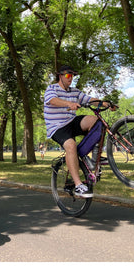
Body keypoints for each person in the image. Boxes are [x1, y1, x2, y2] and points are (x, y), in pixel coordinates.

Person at [43, 65, 115, 198]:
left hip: (71, 122)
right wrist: (68, 104)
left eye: (73, 76)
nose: (71, 79)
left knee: (96, 121)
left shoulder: (74, 91)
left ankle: (93, 159)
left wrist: (106, 104)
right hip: (57, 127)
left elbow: (89, 100)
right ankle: (78, 186)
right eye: (68, 76)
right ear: (60, 76)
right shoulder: (52, 88)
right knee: (71, 145)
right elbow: (52, 100)